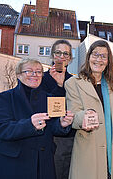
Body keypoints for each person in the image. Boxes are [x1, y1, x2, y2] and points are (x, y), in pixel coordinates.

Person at [0, 58, 74, 179]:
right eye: (29, 71)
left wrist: (62, 124)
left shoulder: (49, 98)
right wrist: (29, 125)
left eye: (39, 71)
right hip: (14, 165)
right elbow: (0, 129)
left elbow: (53, 127)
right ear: (19, 75)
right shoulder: (6, 97)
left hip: (43, 164)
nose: (35, 75)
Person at [65, 40, 113, 179]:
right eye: (95, 54)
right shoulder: (73, 83)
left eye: (103, 56)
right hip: (88, 149)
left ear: (108, 61)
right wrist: (84, 117)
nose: (99, 59)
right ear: (88, 57)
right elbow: (73, 115)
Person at [40, 39, 74, 179]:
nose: (61, 56)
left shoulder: (73, 81)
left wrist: (62, 85)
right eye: (58, 52)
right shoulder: (41, 78)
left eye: (66, 54)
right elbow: (44, 106)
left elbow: (73, 106)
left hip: (67, 138)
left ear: (70, 58)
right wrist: (58, 87)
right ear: (53, 55)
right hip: (47, 136)